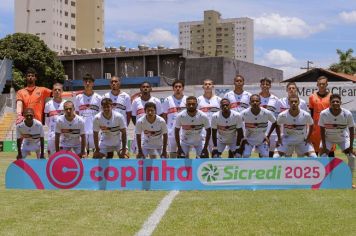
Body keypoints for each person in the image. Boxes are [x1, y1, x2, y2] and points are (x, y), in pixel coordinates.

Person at [319, 94, 355, 186]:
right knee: (323, 157)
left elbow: (351, 130)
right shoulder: (323, 113)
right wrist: (323, 146)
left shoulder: (347, 114)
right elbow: (322, 130)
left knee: (352, 157)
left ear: (340, 103)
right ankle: (324, 182)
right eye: (333, 101)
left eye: (337, 101)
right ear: (330, 103)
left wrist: (351, 146)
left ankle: (348, 182)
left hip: (343, 138)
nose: (335, 103)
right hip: (328, 138)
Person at [131, 81, 163, 153]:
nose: (145, 88)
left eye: (147, 87)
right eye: (143, 87)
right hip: (141, 131)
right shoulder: (135, 101)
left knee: (154, 154)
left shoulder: (156, 101)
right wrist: (139, 127)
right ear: (140, 89)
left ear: (151, 89)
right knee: (140, 153)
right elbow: (133, 117)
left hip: (153, 131)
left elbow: (160, 116)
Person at [74, 74, 102, 155]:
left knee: (97, 154)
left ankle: (96, 168)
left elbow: (101, 114)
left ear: (93, 83)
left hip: (95, 130)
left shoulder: (99, 98)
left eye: (89, 82)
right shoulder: (78, 98)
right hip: (83, 130)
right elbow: (76, 114)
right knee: (83, 154)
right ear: (83, 83)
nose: (87, 83)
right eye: (86, 82)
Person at [162, 79, 187, 158]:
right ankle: (173, 168)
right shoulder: (168, 100)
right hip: (171, 131)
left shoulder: (187, 99)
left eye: (180, 87)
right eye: (176, 87)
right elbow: (164, 116)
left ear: (183, 88)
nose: (178, 88)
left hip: (184, 131)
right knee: (172, 153)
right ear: (173, 88)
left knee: (184, 153)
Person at [309, 76, 332, 155]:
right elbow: (311, 113)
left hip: (328, 127)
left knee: (330, 151)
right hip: (316, 129)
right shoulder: (312, 97)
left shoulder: (331, 97)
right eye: (320, 84)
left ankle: (331, 167)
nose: (321, 85)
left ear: (327, 84)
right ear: (317, 85)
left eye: (323, 84)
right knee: (315, 151)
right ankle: (316, 167)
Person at [197, 79, 221, 152]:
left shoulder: (218, 99)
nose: (207, 86)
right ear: (203, 87)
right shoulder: (198, 100)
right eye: (206, 84)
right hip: (203, 131)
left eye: (209, 84)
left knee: (215, 153)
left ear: (213, 86)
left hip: (215, 130)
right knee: (203, 153)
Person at [259, 77, 279, 157]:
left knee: (271, 153)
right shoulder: (256, 98)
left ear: (270, 86)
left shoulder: (275, 99)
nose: (265, 86)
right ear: (260, 85)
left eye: (267, 84)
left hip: (272, 131)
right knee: (262, 153)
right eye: (263, 84)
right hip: (259, 131)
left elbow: (277, 117)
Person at [44, 83, 66, 156]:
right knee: (52, 158)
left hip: (64, 136)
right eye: (55, 90)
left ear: (62, 91)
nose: (57, 91)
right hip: (52, 135)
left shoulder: (66, 103)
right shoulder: (48, 104)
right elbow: (47, 121)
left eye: (59, 90)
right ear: (52, 92)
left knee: (64, 157)